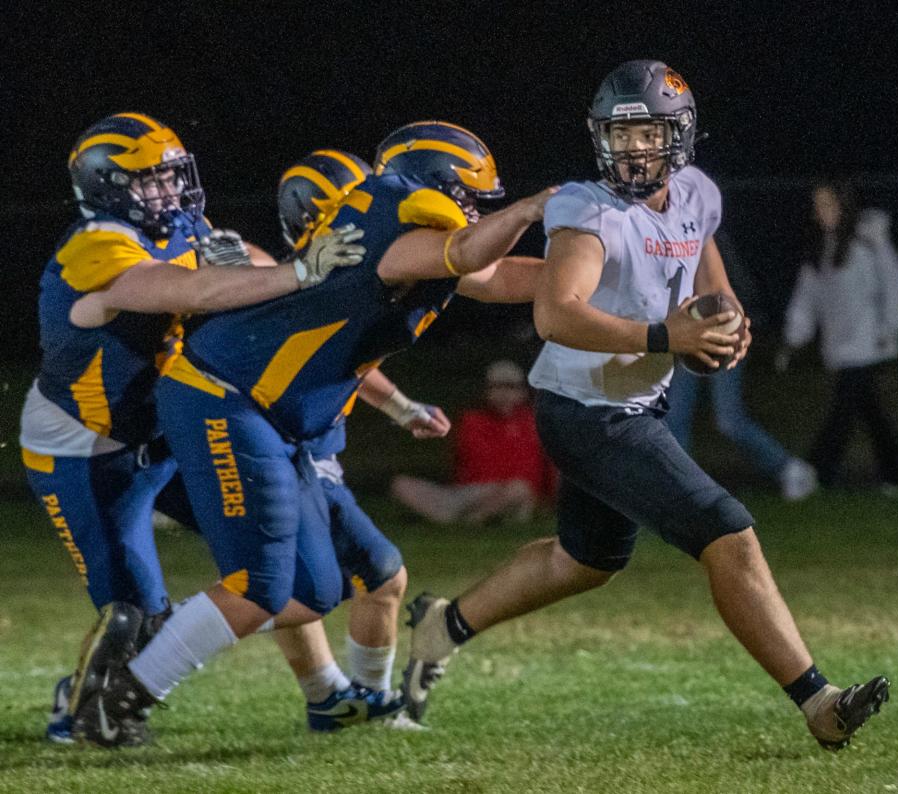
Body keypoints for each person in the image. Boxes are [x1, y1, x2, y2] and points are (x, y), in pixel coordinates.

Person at [401, 61, 889, 751]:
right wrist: (668, 335)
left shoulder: (694, 193)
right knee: (728, 530)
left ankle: (442, 625)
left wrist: (725, 320)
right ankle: (818, 700)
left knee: (584, 560)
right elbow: (555, 314)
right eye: (620, 136)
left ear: (679, 134)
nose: (633, 149)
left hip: (633, 403)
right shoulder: (586, 209)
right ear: (601, 139)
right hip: (584, 410)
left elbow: (702, 259)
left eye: (648, 133)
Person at [71, 120, 554, 746]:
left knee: (318, 589)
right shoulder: (398, 240)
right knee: (261, 587)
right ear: (436, 186)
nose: (470, 211)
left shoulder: (407, 239)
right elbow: (470, 254)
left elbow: (499, 276)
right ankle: (118, 699)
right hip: (226, 399)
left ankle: (307, 688)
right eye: (467, 196)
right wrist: (534, 207)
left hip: (272, 416)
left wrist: (604, 274)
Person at [23, 112, 365, 744]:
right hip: (89, 448)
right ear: (106, 186)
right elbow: (187, 289)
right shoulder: (94, 244)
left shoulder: (185, 224)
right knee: (131, 613)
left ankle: (181, 641)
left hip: (172, 428)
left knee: (298, 582)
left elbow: (241, 267)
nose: (169, 192)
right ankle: (83, 698)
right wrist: (296, 273)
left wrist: (310, 276)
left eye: (171, 176)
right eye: (149, 181)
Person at [273, 149, 453, 731]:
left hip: (309, 450)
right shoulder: (298, 283)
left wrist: (402, 408)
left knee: (372, 576)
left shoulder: (337, 277)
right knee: (309, 584)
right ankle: (158, 639)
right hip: (281, 449)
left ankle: (350, 703)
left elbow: (352, 362)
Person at [779, 181, 898, 495]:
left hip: (869, 344)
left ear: (844, 205)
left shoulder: (870, 242)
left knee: (843, 411)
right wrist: (794, 335)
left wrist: (888, 329)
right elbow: (807, 298)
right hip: (840, 347)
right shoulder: (822, 250)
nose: (821, 213)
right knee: (869, 412)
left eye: (827, 205)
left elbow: (897, 288)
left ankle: (815, 471)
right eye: (817, 207)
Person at [665, 230, 818, 500]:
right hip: (686, 338)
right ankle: (683, 492)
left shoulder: (703, 233)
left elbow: (728, 286)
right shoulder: (660, 235)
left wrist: (739, 322)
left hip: (722, 333)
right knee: (675, 418)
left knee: (728, 419)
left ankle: (789, 469)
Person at [390, 359, 554, 524]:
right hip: (470, 492)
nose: (504, 394)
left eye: (511, 387)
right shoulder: (472, 420)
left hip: (512, 493)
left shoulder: (535, 422)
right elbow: (465, 462)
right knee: (401, 484)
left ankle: (473, 520)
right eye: (496, 387)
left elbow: (549, 468)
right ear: (486, 391)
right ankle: (464, 517)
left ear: (523, 392)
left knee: (519, 489)